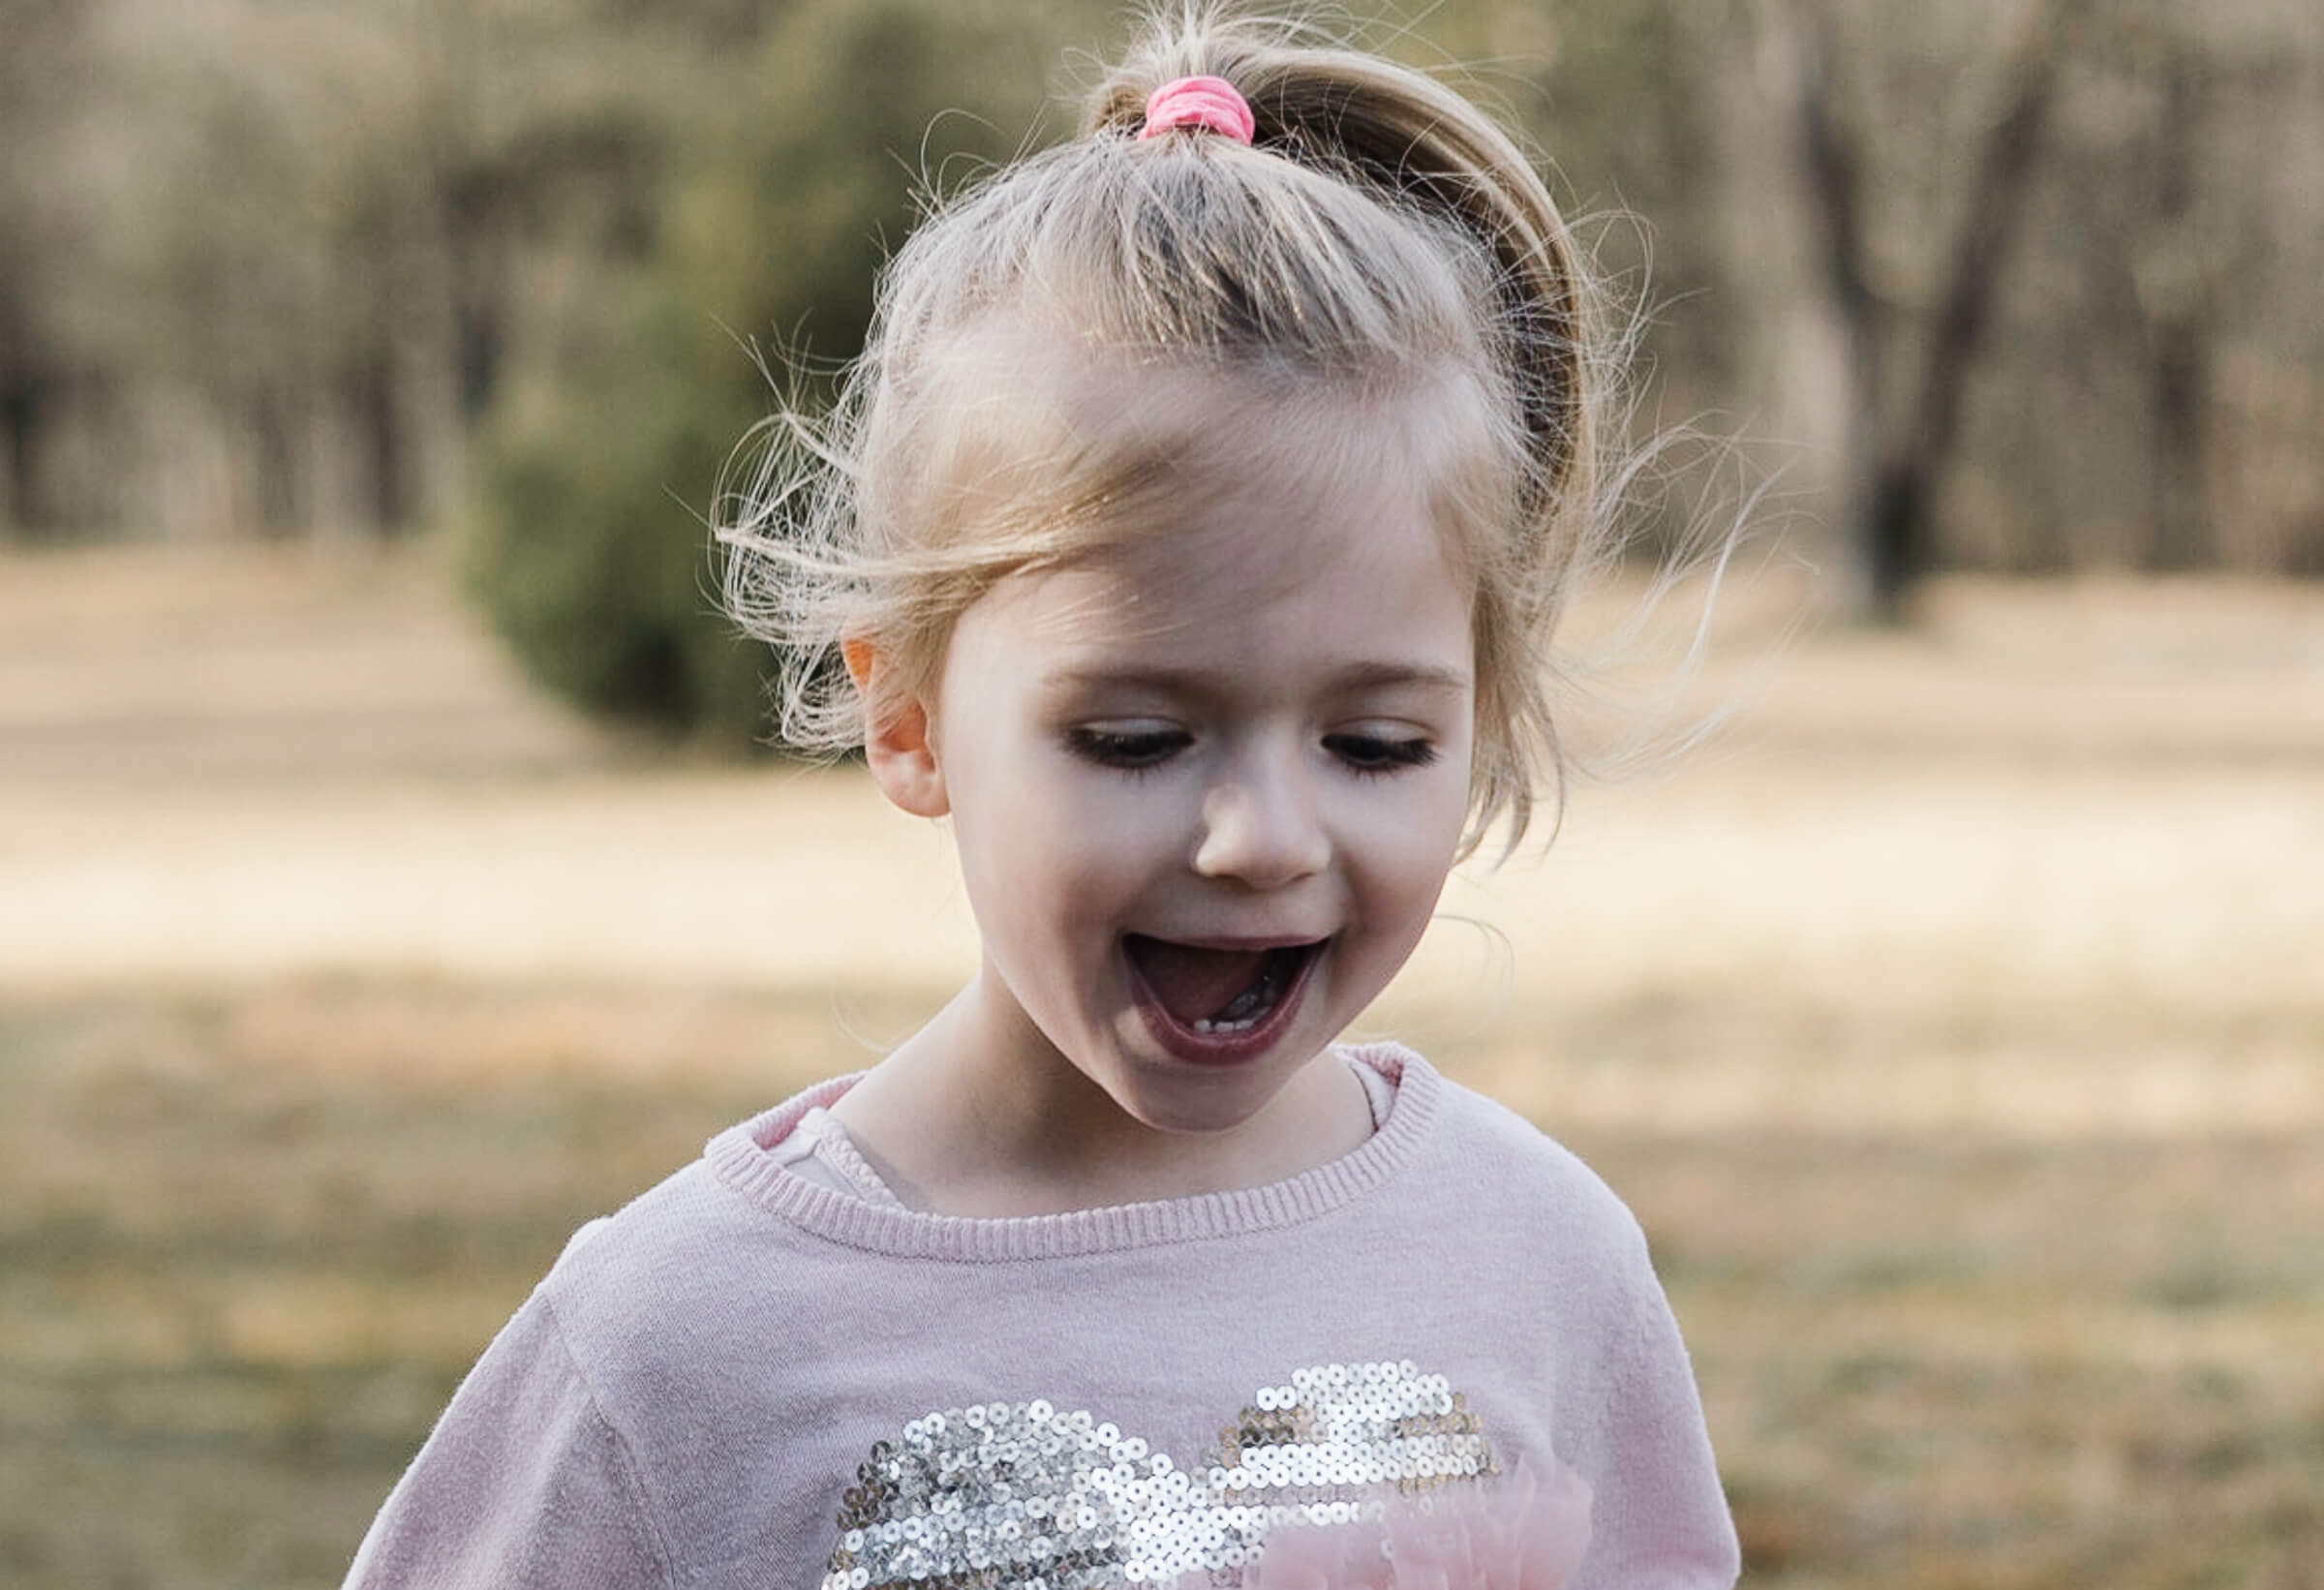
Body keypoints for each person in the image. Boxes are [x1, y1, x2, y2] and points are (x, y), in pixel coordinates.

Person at [343, 8, 1741, 1588]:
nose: (1267, 838)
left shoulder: (1544, 1264)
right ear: (910, 715)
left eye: (1375, 745)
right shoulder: (678, 1343)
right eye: (1141, 738)